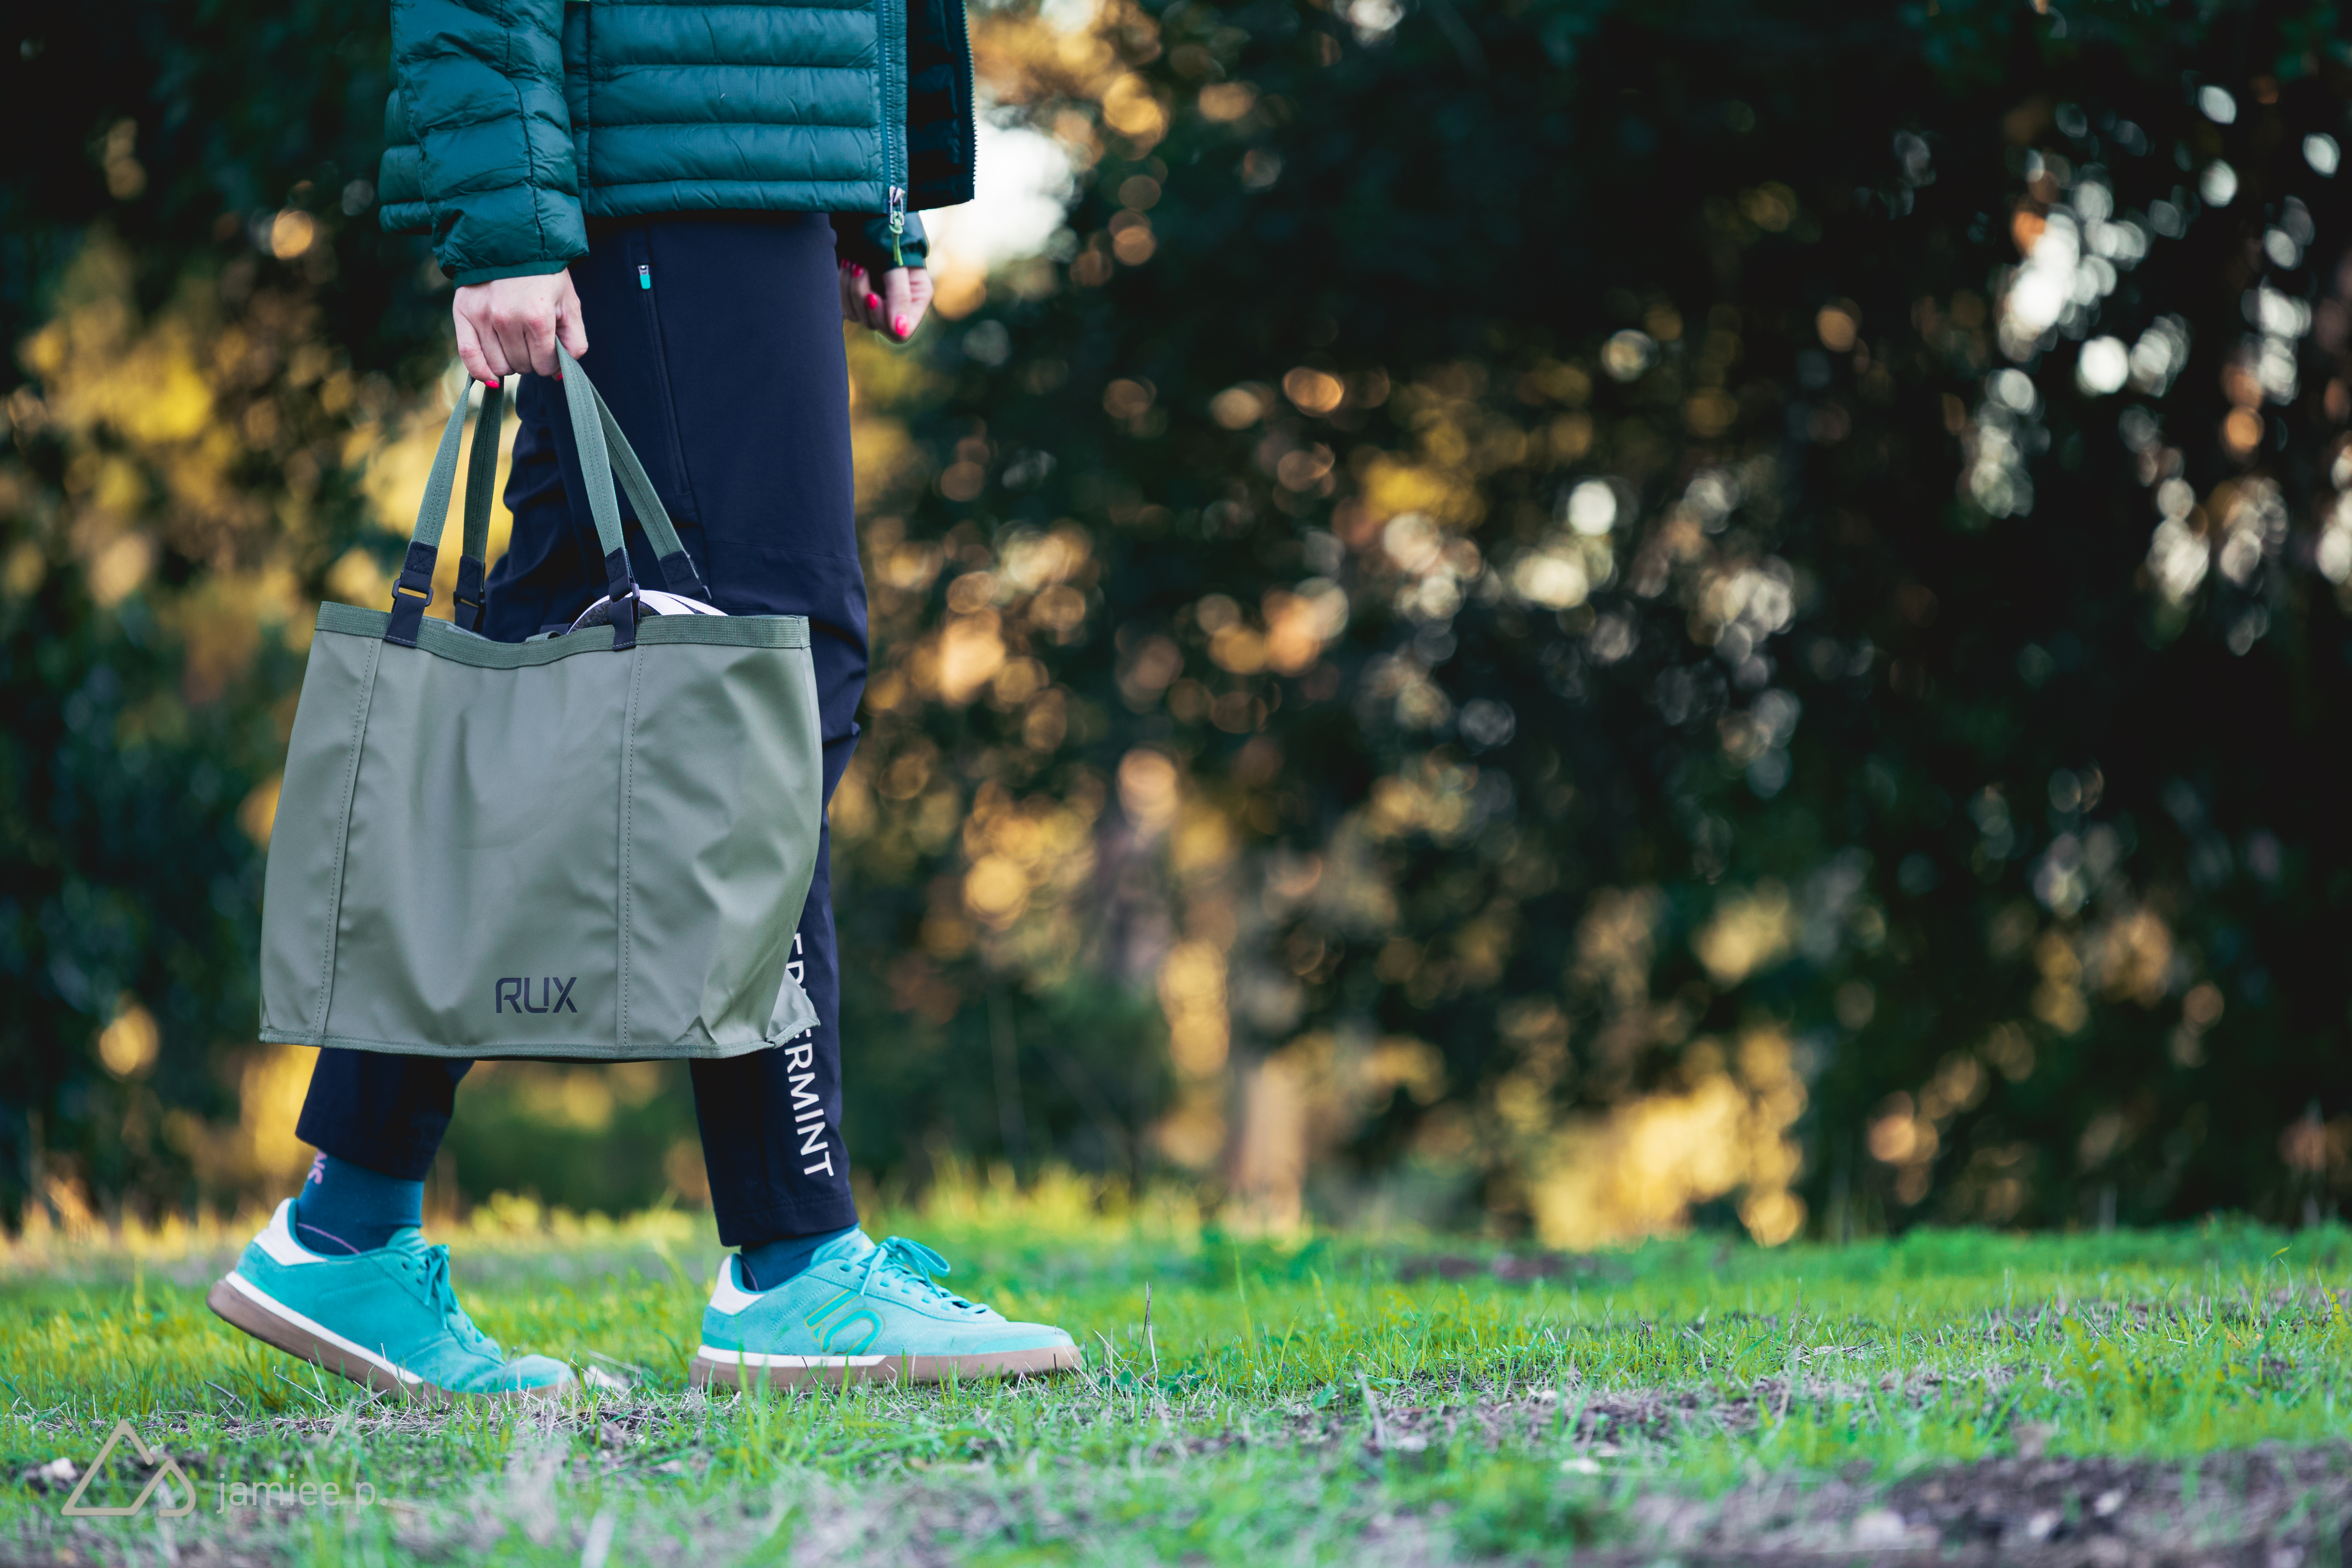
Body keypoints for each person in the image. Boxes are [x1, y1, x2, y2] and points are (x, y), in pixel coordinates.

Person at [204, 0, 1078, 1399]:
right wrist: (508, 224)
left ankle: (349, 1227)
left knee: (619, 691)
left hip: (736, 152)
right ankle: (791, 1259)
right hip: (656, 171)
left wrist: (876, 187)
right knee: (761, 683)